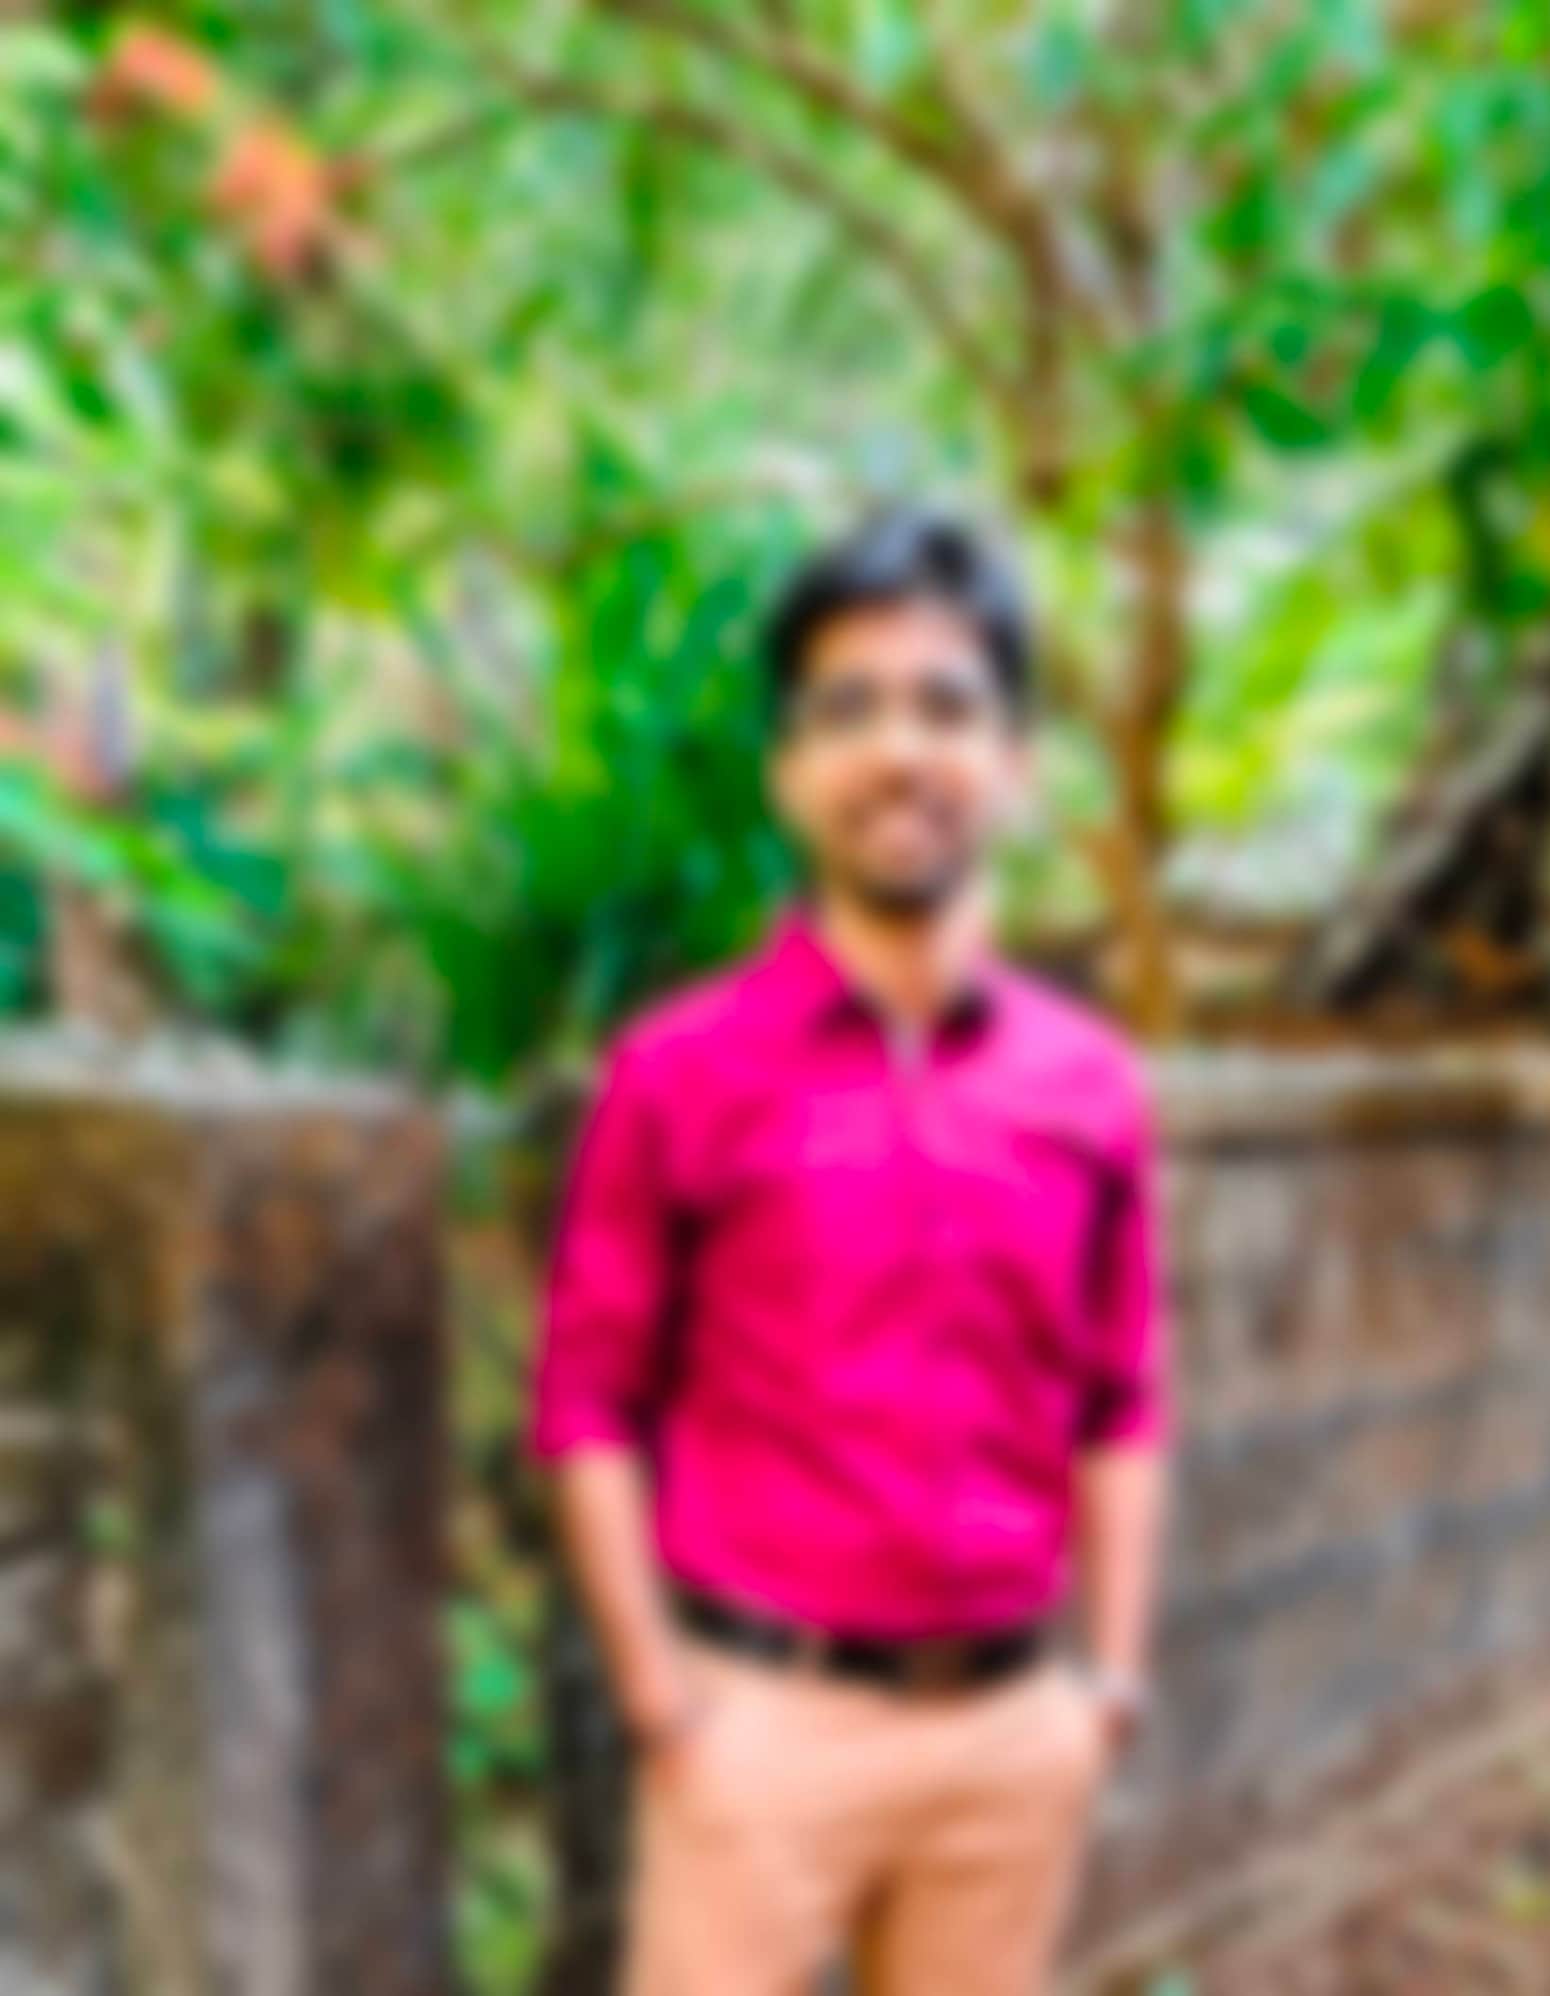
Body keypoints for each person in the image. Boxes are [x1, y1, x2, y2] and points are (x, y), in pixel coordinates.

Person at [521, 501, 1173, 1995]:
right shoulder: (679, 1073)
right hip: (760, 1733)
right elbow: (585, 1404)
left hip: (1011, 1738)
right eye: (850, 708)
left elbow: (1125, 1398)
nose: (900, 751)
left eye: (947, 706)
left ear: (1014, 761)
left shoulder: (1090, 1086)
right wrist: (662, 1707)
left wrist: (1109, 1687)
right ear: (790, 769)